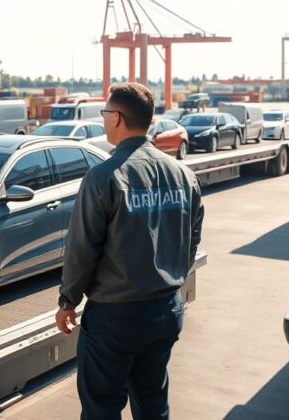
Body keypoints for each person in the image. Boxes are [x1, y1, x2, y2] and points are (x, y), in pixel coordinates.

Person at [55, 82, 204, 420]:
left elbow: (81, 250)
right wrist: (171, 282)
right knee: (153, 402)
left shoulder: (103, 177)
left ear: (117, 118)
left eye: (105, 113)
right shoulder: (183, 175)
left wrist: (68, 301)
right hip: (166, 309)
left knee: (102, 408)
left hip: (115, 317)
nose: (104, 120)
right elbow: (191, 240)